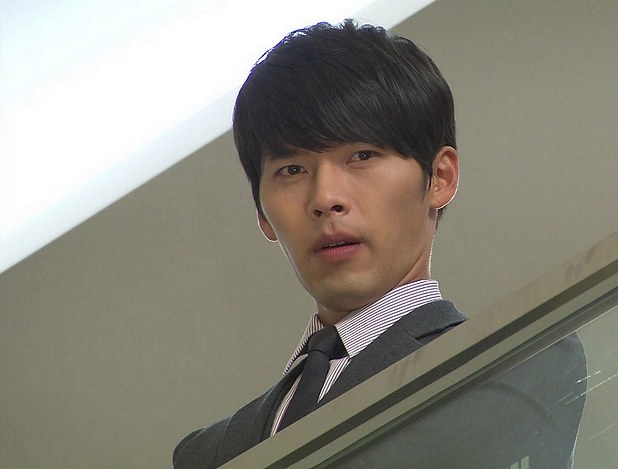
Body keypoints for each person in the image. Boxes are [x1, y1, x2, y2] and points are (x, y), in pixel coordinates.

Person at [172, 20, 465, 468]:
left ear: (440, 178)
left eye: (362, 155)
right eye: (292, 170)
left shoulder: (508, 360)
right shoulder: (207, 455)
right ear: (261, 213)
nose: (325, 198)